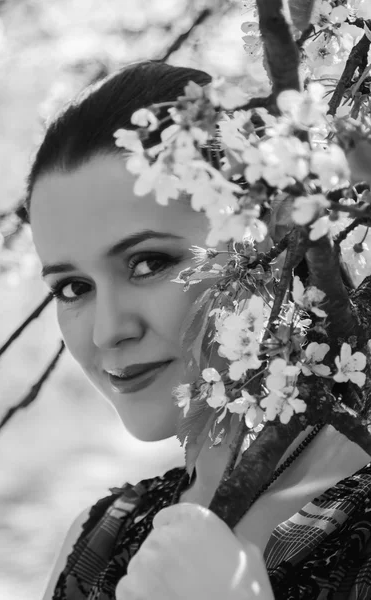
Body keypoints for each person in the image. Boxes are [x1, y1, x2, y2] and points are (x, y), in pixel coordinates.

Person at [25, 60, 371, 600]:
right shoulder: (99, 539)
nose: (106, 333)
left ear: (276, 240)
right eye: (73, 288)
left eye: (147, 263)